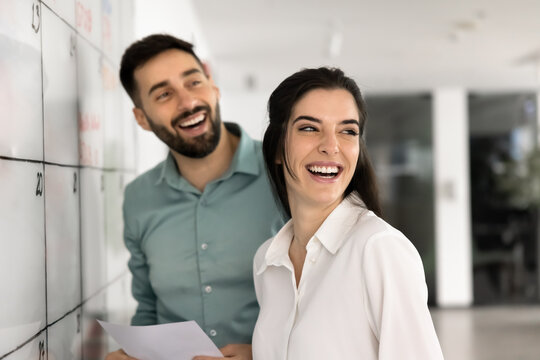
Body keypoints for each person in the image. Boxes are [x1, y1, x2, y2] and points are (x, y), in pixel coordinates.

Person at [105, 34, 282, 360]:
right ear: (142, 118)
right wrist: (132, 353)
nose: (187, 102)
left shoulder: (283, 174)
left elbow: (323, 298)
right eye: (164, 94)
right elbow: (147, 307)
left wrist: (265, 353)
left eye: (194, 82)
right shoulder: (138, 199)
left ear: (213, 87)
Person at [252, 67, 444, 359]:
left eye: (347, 131)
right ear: (277, 147)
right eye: (309, 128)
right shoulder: (268, 263)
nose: (331, 146)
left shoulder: (379, 249)